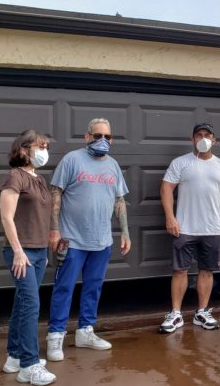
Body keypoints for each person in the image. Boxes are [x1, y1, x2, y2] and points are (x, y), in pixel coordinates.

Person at [46, 118, 131, 361]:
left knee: (93, 287)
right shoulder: (72, 160)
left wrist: (124, 231)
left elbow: (119, 200)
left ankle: (85, 331)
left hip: (101, 240)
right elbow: (56, 193)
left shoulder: (113, 165)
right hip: (72, 239)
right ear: (87, 137)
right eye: (97, 136)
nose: (102, 140)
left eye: (108, 136)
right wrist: (54, 230)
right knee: (64, 288)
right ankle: (56, 335)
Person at [159, 123, 220, 333]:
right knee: (180, 271)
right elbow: (166, 188)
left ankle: (202, 312)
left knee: (207, 270)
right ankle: (176, 314)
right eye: (199, 135)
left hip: (212, 228)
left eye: (207, 135)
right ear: (193, 139)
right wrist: (170, 217)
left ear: (214, 140)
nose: (203, 139)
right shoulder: (181, 163)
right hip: (184, 227)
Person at [0, 130, 57, 385]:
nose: (44, 151)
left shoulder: (40, 179)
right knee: (31, 305)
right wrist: (19, 251)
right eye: (39, 146)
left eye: (46, 146)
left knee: (22, 304)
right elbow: (6, 217)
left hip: (38, 250)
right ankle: (29, 365)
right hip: (20, 252)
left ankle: (14, 356)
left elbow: (42, 217)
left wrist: (45, 248)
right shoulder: (15, 177)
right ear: (23, 150)